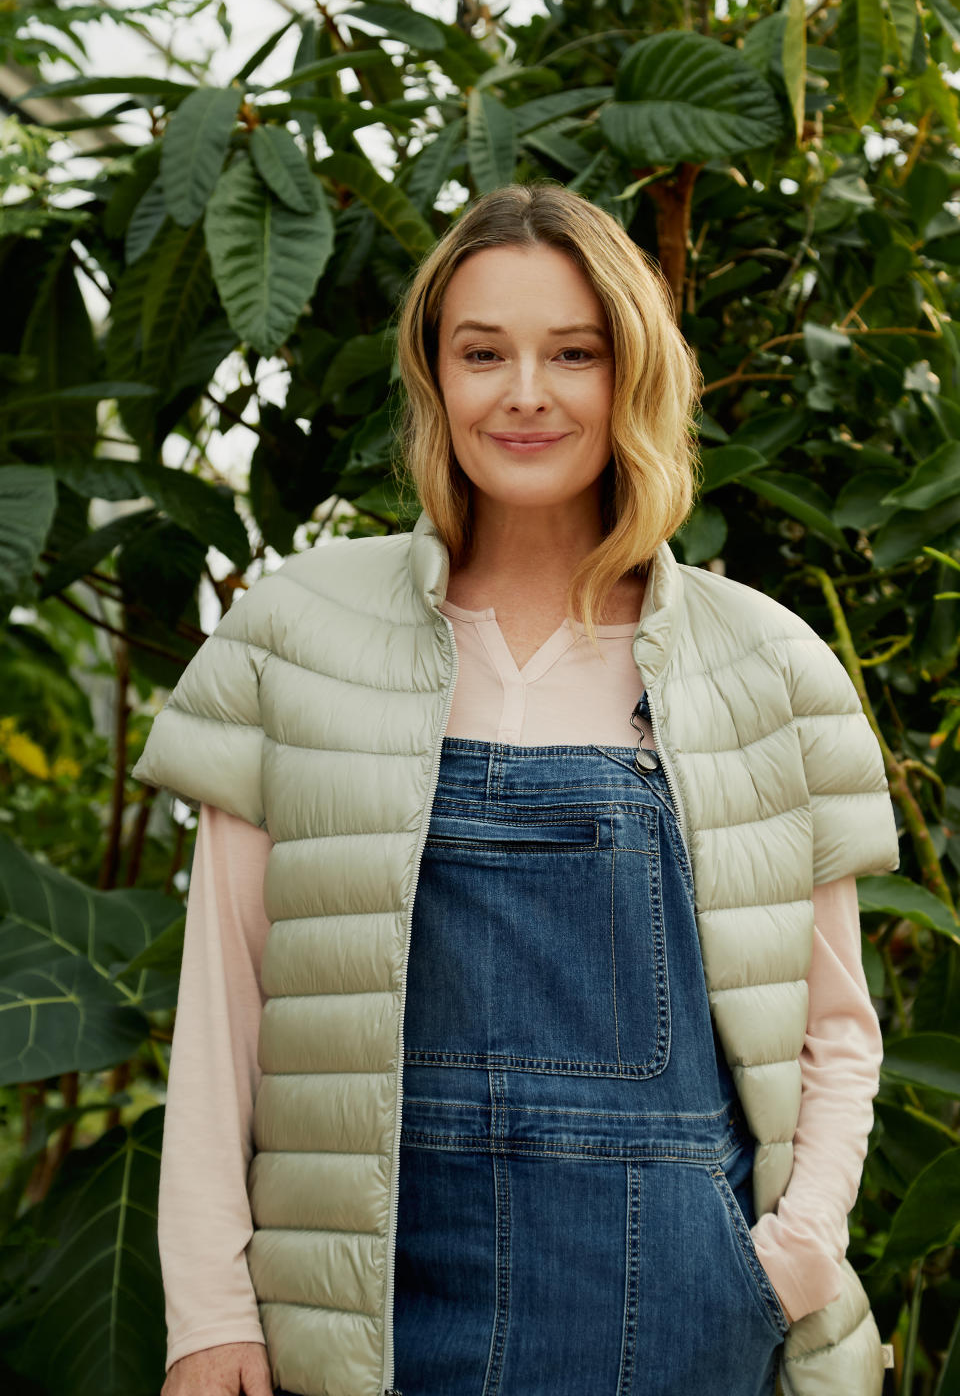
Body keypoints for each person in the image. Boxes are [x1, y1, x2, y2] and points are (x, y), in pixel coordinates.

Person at [133, 182, 901, 1396]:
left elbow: (835, 1028)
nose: (527, 392)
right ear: (435, 376)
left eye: (574, 354)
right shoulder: (299, 634)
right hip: (367, 1316)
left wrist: (789, 1261)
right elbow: (224, 1012)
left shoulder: (765, 664)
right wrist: (211, 1313)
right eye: (483, 352)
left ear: (631, 376)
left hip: (681, 1318)